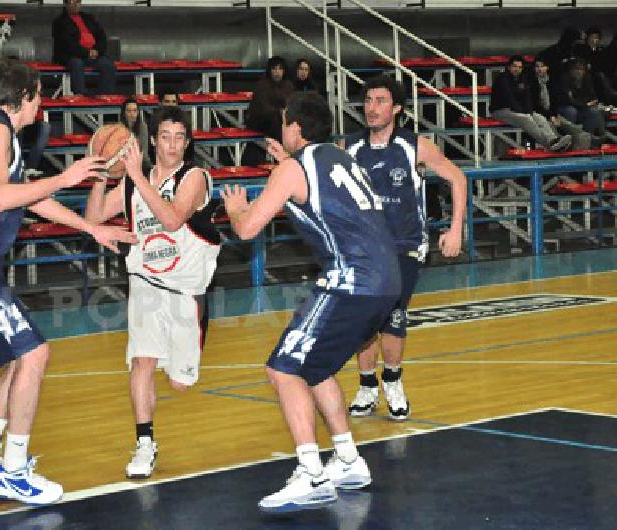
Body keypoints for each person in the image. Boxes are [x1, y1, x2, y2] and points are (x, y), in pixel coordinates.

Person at [0, 58, 136, 505]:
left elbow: (31, 200)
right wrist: (69, 175)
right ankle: (13, 469)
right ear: (26, 96)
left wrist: (90, 227)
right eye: (40, 95)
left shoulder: (2, 136)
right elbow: (1, 197)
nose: (43, 103)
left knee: (18, 361)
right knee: (35, 353)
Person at [221, 91, 400, 513]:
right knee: (316, 369)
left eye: (285, 122)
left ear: (295, 127)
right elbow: (320, 196)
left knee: (282, 369)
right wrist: (289, 162)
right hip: (386, 281)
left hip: (351, 279)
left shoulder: (291, 169)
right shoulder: (341, 158)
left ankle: (311, 473)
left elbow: (247, 230)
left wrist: (233, 209)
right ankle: (348, 460)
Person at [85, 105, 221, 480]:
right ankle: (145, 442)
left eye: (180, 137)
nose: (173, 144)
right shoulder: (133, 179)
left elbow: (173, 218)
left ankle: (174, 365)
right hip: (145, 284)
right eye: (165, 137)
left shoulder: (195, 177)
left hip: (186, 292)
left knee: (179, 383)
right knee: (142, 363)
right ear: (154, 140)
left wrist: (134, 176)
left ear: (187, 142)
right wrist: (101, 172)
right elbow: (94, 218)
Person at [340, 75, 466, 420]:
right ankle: (367, 385)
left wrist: (455, 229)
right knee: (363, 320)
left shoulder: (415, 146)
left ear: (396, 108)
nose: (372, 107)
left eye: (380, 101)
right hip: (363, 250)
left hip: (404, 247)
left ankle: (392, 381)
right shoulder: (349, 148)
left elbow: (457, 178)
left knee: (391, 316)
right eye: (368, 101)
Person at [490, 55, 572, 151]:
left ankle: (553, 139)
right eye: (514, 66)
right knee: (526, 119)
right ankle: (550, 144)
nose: (517, 69)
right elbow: (509, 99)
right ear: (509, 67)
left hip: (517, 110)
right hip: (500, 111)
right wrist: (524, 113)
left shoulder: (523, 79)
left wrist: (529, 111)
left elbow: (527, 98)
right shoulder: (502, 79)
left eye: (520, 67)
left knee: (539, 117)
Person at [52, 0, 116, 96]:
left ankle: (105, 95)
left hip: (94, 53)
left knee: (108, 65)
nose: (75, 4)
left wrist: (97, 51)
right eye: (72, 2)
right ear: (65, 4)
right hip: (72, 55)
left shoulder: (89, 18)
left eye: (78, 1)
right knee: (77, 64)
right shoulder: (59, 22)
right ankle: (80, 95)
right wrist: (87, 52)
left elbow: (102, 37)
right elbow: (67, 44)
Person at [528, 58, 592, 150]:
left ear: (547, 68)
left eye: (542, 66)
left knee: (574, 129)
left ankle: (580, 147)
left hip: (551, 113)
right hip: (538, 113)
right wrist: (551, 116)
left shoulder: (551, 82)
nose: (539, 69)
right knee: (549, 123)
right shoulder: (531, 83)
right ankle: (558, 144)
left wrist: (554, 115)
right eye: (537, 66)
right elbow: (535, 105)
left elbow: (554, 101)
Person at [555, 57, 609, 140]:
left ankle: (588, 137)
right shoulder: (564, 79)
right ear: (571, 70)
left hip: (582, 107)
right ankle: (570, 138)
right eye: (576, 69)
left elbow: (593, 96)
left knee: (594, 111)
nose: (579, 72)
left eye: (581, 69)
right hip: (565, 107)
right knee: (571, 111)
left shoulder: (587, 78)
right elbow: (569, 100)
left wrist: (591, 102)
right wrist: (586, 103)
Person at [246, 56, 294, 141]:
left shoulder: (288, 85)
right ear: (270, 70)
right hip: (261, 120)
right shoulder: (262, 85)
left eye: (280, 69)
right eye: (274, 69)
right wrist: (280, 112)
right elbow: (263, 109)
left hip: (281, 119)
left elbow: (291, 104)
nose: (277, 72)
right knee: (275, 121)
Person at [120, 97, 151, 171]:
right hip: (123, 164)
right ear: (124, 113)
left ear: (138, 112)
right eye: (129, 111)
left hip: (141, 163)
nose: (132, 114)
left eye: (134, 111)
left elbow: (144, 153)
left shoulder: (142, 127)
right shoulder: (119, 128)